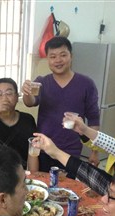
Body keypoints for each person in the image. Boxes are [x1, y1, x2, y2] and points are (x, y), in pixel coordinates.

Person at [21, 36, 100, 171]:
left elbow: (94, 119)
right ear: (48, 59)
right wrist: (26, 93)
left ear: (71, 56)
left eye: (63, 55)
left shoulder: (86, 84)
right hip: (44, 148)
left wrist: (95, 152)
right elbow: (30, 103)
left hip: (71, 152)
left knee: (67, 190)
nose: (58, 60)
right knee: (43, 188)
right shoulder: (42, 82)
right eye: (53, 56)